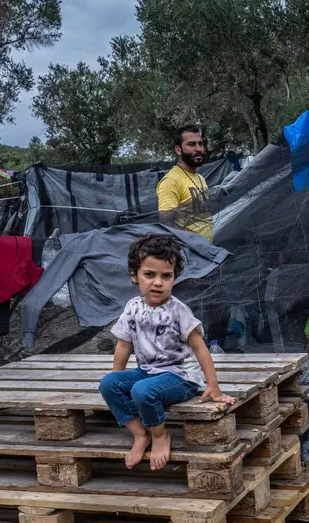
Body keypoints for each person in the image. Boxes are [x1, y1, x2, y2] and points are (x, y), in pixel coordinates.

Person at [98, 234, 235, 470]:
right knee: (108, 383)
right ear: (135, 275)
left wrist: (212, 385)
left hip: (180, 376)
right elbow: (123, 346)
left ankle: (160, 435)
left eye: (166, 276)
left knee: (142, 391)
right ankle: (141, 434)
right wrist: (118, 382)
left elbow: (199, 347)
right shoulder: (132, 307)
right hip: (147, 372)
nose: (158, 282)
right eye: (150, 275)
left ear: (175, 278)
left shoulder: (178, 311)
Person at [157, 124, 213, 241]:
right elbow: (167, 228)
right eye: (191, 144)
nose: (198, 149)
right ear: (178, 150)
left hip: (208, 253)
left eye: (201, 144)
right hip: (188, 255)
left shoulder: (200, 178)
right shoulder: (171, 181)